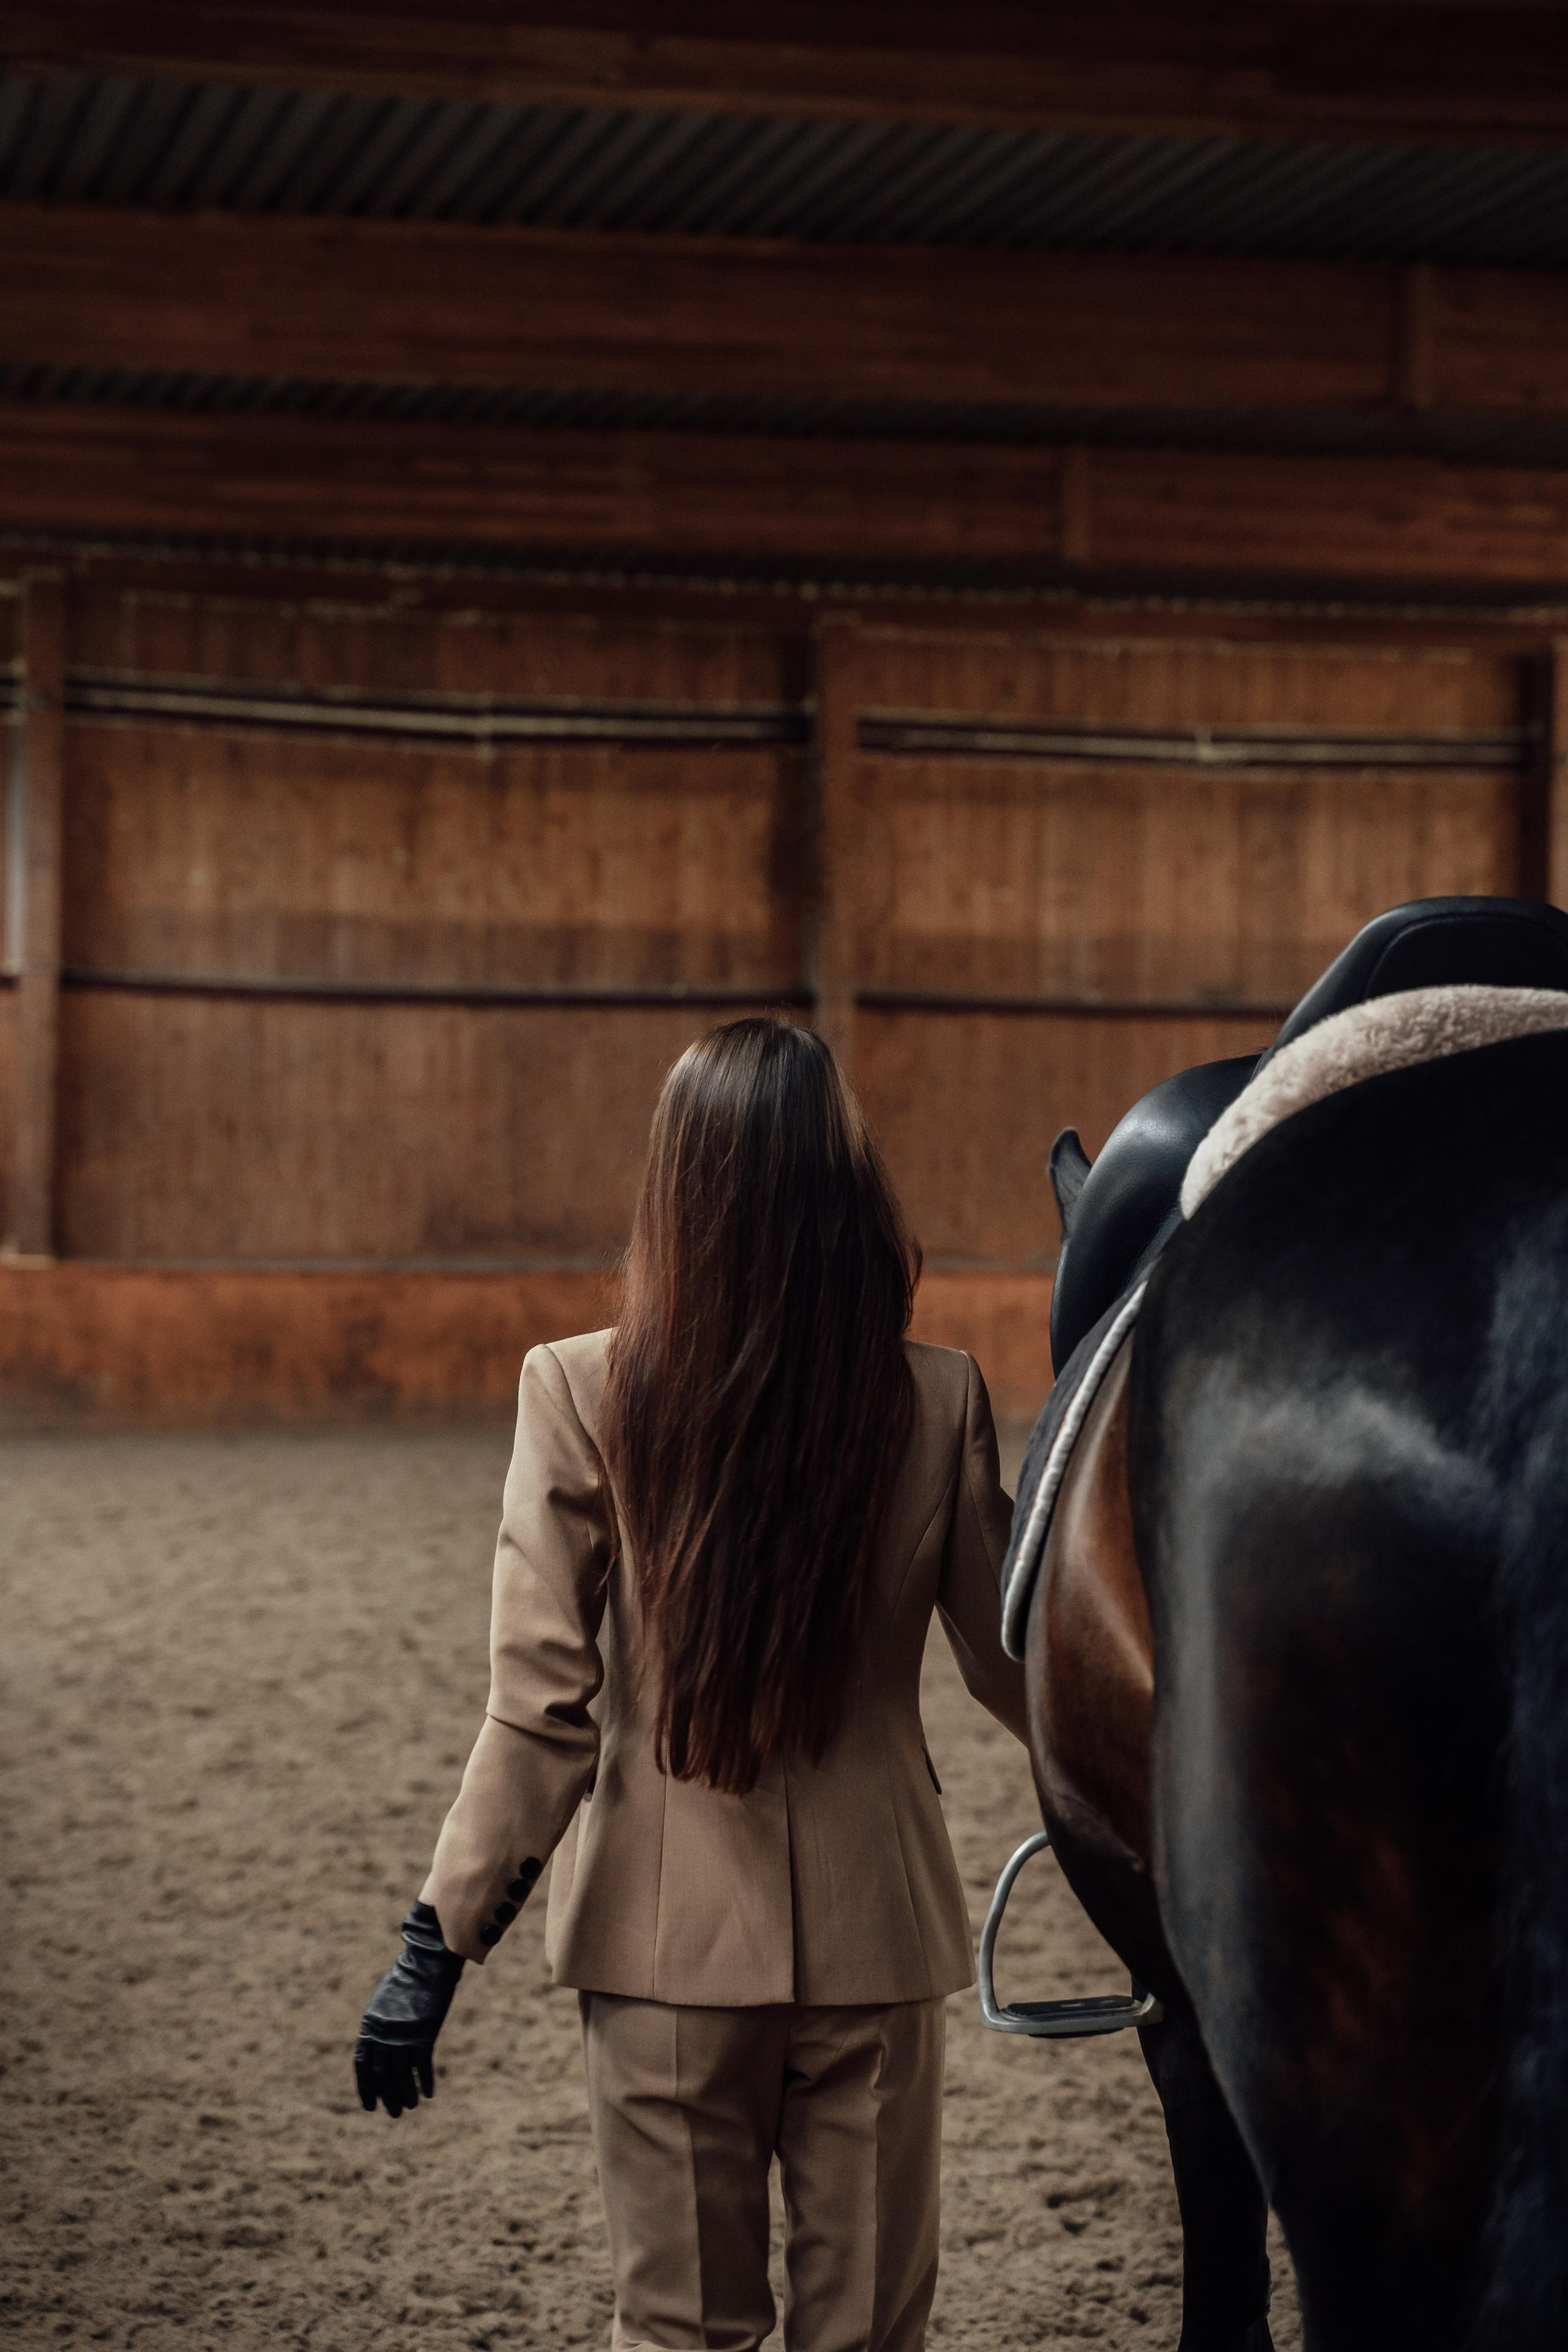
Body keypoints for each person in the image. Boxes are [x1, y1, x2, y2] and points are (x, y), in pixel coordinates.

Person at [353, 1016, 1028, 2352]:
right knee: (871, 2336)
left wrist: (436, 1943)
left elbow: (540, 1711)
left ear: (675, 1185)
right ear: (845, 1186)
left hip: (660, 1950)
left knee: (676, 2332)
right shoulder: (939, 1399)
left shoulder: (577, 1388)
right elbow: (1020, 1670)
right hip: (877, 1942)